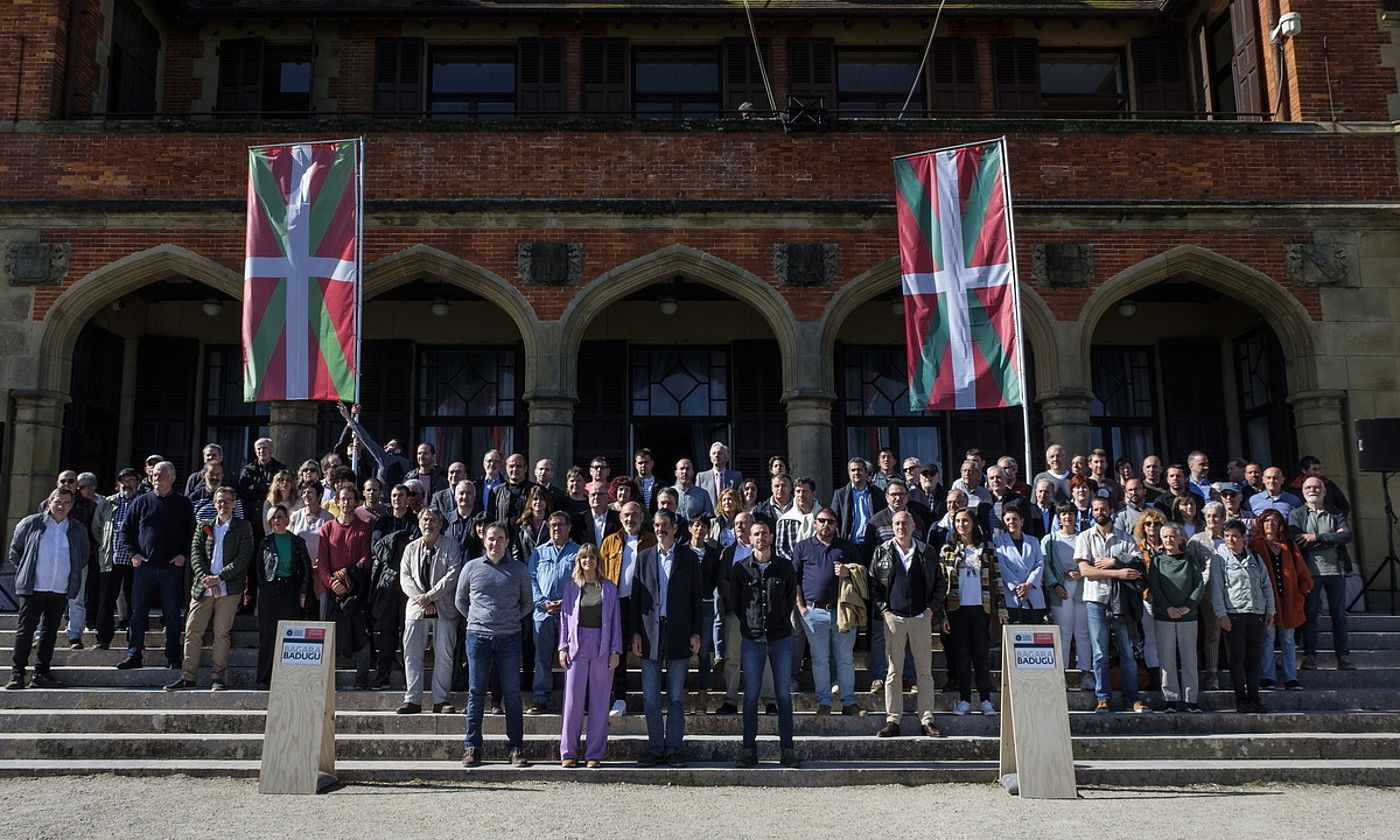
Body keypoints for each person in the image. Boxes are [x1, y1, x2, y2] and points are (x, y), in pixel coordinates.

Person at [455, 522, 532, 768]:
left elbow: (527, 603)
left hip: (509, 637)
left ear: (507, 542)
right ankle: (472, 748)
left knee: (511, 693)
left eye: (500, 538)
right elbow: (460, 600)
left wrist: (506, 619)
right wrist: (479, 620)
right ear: (483, 540)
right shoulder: (471, 568)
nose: (495, 543)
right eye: (490, 538)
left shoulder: (519, 570)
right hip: (478, 637)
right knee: (476, 692)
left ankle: (516, 748)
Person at [630, 509, 702, 767]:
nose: (660, 529)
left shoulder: (689, 558)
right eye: (657, 525)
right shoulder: (643, 557)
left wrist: (696, 632)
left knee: (675, 697)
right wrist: (635, 633)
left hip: (679, 632)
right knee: (650, 697)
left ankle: (672, 748)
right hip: (649, 634)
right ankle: (655, 747)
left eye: (665, 525)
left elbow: (696, 599)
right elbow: (636, 599)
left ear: (674, 528)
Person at [166, 487, 252, 692]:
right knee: (192, 631)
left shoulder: (243, 527)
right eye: (220, 501)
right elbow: (195, 555)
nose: (224, 505)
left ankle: (218, 677)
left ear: (234, 504)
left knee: (222, 633)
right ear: (214, 504)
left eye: (228, 501)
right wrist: (207, 579)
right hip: (203, 587)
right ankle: (188, 675)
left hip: (228, 589)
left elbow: (243, 558)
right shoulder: (204, 526)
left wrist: (219, 578)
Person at [870, 509, 947, 737]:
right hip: (894, 618)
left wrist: (930, 609)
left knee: (924, 672)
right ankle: (893, 719)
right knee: (894, 672)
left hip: (920, 618)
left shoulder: (927, 551)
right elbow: (873, 585)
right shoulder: (881, 551)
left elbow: (941, 584)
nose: (901, 527)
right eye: (897, 524)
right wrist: (884, 611)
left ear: (913, 526)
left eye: (905, 523)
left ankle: (926, 719)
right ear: (892, 527)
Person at [732, 519, 801, 768]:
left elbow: (790, 597)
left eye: (764, 533)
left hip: (781, 637)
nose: (760, 537)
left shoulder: (785, 567)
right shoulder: (740, 569)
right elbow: (738, 603)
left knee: (783, 695)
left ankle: (788, 750)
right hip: (752, 639)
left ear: (771, 537)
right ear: (749, 538)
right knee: (750, 696)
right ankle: (749, 750)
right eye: (756, 534)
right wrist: (750, 624)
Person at [6, 488, 89, 689]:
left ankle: (41, 672)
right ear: (49, 502)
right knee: (25, 631)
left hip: (59, 588)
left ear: (72, 505)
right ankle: (17, 674)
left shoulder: (77, 529)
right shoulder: (31, 523)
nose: (62, 506)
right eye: (58, 502)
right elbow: (15, 552)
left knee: (50, 632)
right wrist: (26, 571)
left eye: (67, 503)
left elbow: (83, 556)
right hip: (34, 587)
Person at [119, 461, 195, 671]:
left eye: (161, 475)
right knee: (138, 612)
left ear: (172, 478)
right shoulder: (142, 502)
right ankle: (134, 653)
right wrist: (133, 554)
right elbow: (125, 531)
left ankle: (172, 655)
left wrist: (183, 555)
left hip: (172, 567)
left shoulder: (183, 503)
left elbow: (192, 533)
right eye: (154, 475)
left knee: (171, 613)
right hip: (145, 567)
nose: (156, 478)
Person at [1075, 497, 1148, 713]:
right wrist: (1117, 572)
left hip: (1121, 602)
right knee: (1099, 652)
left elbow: (1136, 566)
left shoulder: (1125, 538)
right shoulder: (1085, 537)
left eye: (1103, 508)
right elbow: (1085, 571)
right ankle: (1103, 697)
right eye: (1096, 509)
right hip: (1096, 599)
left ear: (1111, 510)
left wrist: (1113, 560)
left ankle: (1132, 698)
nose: (1100, 512)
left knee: (1127, 651)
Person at [557, 543, 622, 768]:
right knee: (573, 700)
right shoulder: (572, 587)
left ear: (598, 561)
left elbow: (615, 622)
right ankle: (568, 752)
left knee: (600, 701)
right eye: (584, 558)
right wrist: (562, 647)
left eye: (592, 558)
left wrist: (616, 650)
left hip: (602, 645)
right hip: (576, 645)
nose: (588, 562)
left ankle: (594, 753)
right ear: (579, 562)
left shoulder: (609, 588)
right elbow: (564, 619)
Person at [793, 507, 862, 716]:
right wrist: (802, 608)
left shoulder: (847, 547)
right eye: (822, 520)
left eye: (830, 521)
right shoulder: (803, 547)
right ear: (814, 523)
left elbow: (863, 577)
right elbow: (794, 580)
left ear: (836, 525)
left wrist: (848, 571)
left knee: (845, 659)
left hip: (843, 612)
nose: (826, 525)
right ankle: (824, 702)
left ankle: (849, 702)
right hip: (814, 612)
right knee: (819, 659)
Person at [941, 509, 1007, 716]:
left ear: (973, 523)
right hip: (957, 609)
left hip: (982, 607)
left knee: (981, 654)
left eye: (965, 521)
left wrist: (1002, 608)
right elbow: (942, 584)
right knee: (961, 655)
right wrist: (942, 614)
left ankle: (985, 699)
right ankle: (964, 699)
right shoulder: (948, 549)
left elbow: (996, 579)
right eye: (958, 521)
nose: (962, 525)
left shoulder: (986, 548)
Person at [398, 507, 462, 715]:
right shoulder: (410, 548)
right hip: (416, 609)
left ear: (440, 524)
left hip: (443, 608)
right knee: (412, 654)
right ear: (419, 523)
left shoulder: (452, 547)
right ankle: (413, 699)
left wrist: (431, 596)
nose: (429, 524)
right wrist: (421, 598)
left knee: (444, 654)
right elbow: (405, 577)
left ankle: (441, 700)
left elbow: (452, 576)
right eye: (425, 519)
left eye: (433, 520)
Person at [1210, 519, 1276, 713]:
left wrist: (1270, 610)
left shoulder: (1255, 558)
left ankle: (1254, 697)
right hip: (1234, 614)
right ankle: (1241, 698)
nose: (1231, 539)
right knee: (1237, 659)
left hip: (1255, 613)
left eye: (1235, 536)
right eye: (1227, 536)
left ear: (1243, 538)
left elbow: (1266, 585)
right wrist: (1221, 614)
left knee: (1253, 659)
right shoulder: (1219, 559)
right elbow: (1216, 589)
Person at [1291, 476, 1354, 671]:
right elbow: (1297, 539)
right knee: (1310, 615)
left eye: (1317, 487)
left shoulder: (1335, 513)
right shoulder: (1297, 514)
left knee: (1339, 615)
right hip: (1310, 573)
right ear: (1303, 492)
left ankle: (1343, 656)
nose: (1313, 490)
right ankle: (1309, 656)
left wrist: (1316, 537)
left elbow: (1346, 535)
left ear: (1324, 491)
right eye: (1308, 487)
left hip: (1336, 571)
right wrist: (1331, 539)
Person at [600, 501, 656, 717]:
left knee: (649, 650)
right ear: (620, 518)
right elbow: (602, 573)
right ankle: (620, 698)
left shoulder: (651, 539)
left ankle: (651, 698)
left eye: (634, 515)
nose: (630, 519)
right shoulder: (610, 542)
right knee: (618, 652)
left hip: (646, 604)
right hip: (619, 603)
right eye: (626, 515)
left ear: (642, 517)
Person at [318, 485, 374, 689]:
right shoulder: (327, 528)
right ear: (337, 501)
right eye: (342, 498)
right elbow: (322, 560)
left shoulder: (364, 527)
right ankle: (326, 675)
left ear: (356, 502)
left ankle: (361, 677)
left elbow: (367, 557)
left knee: (361, 632)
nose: (346, 502)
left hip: (356, 588)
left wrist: (348, 575)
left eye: (350, 498)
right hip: (332, 590)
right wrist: (332, 582)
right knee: (329, 632)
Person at [1147, 523, 1205, 713]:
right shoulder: (1157, 561)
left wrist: (1188, 607)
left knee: (1189, 658)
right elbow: (1156, 587)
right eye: (1165, 537)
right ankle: (1170, 699)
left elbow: (1199, 584)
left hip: (1188, 617)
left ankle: (1191, 700)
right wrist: (1168, 607)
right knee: (1167, 659)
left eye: (1172, 536)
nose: (1169, 540)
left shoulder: (1191, 560)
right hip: (1165, 616)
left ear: (1180, 539)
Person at [254, 504, 313, 689]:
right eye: (274, 518)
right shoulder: (265, 542)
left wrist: (302, 592)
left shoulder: (297, 542)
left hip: (291, 589)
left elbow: (306, 570)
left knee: (291, 635)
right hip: (270, 591)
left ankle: (289, 678)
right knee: (268, 636)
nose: (277, 521)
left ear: (287, 520)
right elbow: (259, 570)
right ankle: (264, 678)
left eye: (280, 517)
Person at [1254, 508, 1313, 691]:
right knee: (1267, 638)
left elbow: (1303, 572)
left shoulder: (1289, 544)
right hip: (1267, 601)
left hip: (1289, 600)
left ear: (1280, 524)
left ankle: (1291, 678)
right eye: (1267, 520)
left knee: (1288, 639)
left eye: (1275, 520)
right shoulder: (1255, 545)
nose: (1270, 524)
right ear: (1261, 524)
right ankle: (1268, 676)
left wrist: (1302, 593)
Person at [369, 485, 420, 689]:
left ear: (407, 498)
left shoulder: (414, 521)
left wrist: (393, 542)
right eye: (394, 495)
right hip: (388, 582)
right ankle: (383, 675)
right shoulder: (382, 521)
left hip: (409, 583)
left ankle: (410, 678)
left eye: (401, 495)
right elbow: (376, 547)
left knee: (408, 631)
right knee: (387, 630)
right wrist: (399, 537)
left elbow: (417, 545)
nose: (397, 498)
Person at [526, 511, 577, 714]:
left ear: (569, 527)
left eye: (561, 525)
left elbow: (582, 581)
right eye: (553, 525)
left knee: (572, 657)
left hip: (570, 614)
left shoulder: (578, 551)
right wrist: (542, 602)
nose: (557, 529)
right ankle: (540, 698)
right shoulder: (539, 552)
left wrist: (567, 602)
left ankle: (573, 699)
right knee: (542, 657)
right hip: (543, 613)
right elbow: (530, 579)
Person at [1041, 502, 1092, 690]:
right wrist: (1054, 584)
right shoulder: (1050, 539)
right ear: (1059, 517)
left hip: (1082, 589)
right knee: (1063, 633)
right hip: (1060, 592)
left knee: (1083, 632)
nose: (1067, 517)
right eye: (1063, 514)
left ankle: (1086, 672)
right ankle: (1061, 674)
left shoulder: (1084, 537)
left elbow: (1091, 561)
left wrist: (1081, 573)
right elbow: (1045, 564)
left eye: (1070, 514)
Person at [95, 469, 143, 650]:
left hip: (136, 560)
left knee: (136, 601)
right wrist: (105, 546)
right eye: (123, 480)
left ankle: (135, 640)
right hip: (111, 558)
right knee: (106, 600)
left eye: (131, 480)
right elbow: (97, 527)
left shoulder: (144, 500)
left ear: (137, 482)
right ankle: (103, 639)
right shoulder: (108, 502)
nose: (127, 484)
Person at [1191, 501, 1229, 690]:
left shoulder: (1230, 538)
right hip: (1206, 591)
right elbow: (1190, 566)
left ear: (1223, 518)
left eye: (1216, 516)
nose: (1212, 519)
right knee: (1211, 631)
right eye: (1208, 516)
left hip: (1231, 590)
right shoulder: (1197, 540)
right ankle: (1211, 674)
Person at [993, 505, 1044, 625]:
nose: (1011, 522)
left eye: (1014, 519)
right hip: (1012, 595)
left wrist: (1029, 585)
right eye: (1008, 520)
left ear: (1022, 521)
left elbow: (1039, 564)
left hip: (1032, 593)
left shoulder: (1033, 541)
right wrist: (1018, 588)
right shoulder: (998, 542)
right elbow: (1001, 566)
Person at [831, 458, 886, 554]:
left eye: (859, 470)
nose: (856, 472)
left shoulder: (878, 493)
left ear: (866, 472)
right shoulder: (840, 494)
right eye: (853, 470)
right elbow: (834, 520)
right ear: (849, 473)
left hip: (873, 545)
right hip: (849, 545)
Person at [696, 441, 742, 514]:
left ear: (727, 458)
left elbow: (739, 499)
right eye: (714, 453)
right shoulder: (701, 477)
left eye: (720, 453)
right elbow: (698, 500)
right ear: (711, 458)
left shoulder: (736, 476)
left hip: (729, 517)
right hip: (708, 518)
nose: (716, 455)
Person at [572, 481, 620, 547]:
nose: (596, 497)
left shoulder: (618, 518)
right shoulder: (578, 519)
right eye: (593, 494)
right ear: (588, 497)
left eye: (600, 494)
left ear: (608, 497)